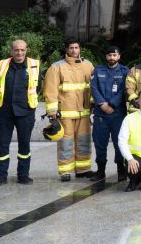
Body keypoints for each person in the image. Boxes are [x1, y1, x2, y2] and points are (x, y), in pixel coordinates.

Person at [43, 39, 95, 181]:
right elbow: (50, 91)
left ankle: (83, 170)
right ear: (66, 49)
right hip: (65, 113)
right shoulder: (56, 67)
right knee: (66, 143)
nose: (73, 50)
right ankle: (65, 171)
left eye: (76, 47)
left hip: (84, 113)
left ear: (80, 49)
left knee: (84, 141)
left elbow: (93, 88)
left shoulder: (88, 65)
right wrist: (52, 112)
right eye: (71, 48)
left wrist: (94, 106)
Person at [0, 39, 39, 187]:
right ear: (11, 51)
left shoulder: (34, 65)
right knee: (2, 145)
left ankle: (23, 176)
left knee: (24, 145)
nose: (19, 53)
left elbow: (38, 87)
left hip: (25, 112)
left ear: (26, 50)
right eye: (16, 50)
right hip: (4, 112)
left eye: (22, 50)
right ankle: (1, 177)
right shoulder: (2, 64)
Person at [90, 46, 130, 182]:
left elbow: (125, 89)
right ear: (106, 57)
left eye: (114, 55)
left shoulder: (125, 71)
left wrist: (112, 104)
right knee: (99, 143)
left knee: (120, 143)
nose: (112, 58)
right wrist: (102, 104)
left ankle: (121, 170)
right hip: (101, 114)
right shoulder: (98, 70)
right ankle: (101, 171)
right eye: (109, 55)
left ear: (119, 57)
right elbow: (93, 88)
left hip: (118, 114)